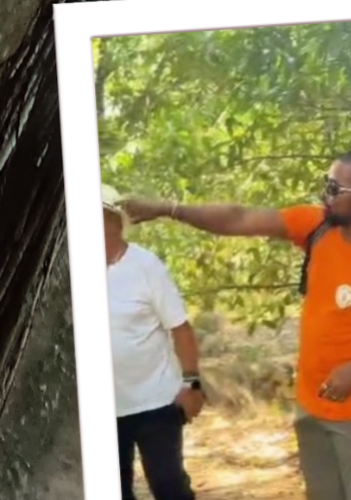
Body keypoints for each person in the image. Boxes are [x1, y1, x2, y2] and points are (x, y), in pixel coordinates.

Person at [120, 152, 351, 500]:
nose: (323, 195)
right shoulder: (317, 227)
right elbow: (239, 218)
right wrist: (169, 209)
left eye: (333, 188)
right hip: (310, 410)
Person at [102, 184, 205, 500]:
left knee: (169, 486)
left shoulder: (146, 267)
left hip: (155, 403)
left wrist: (193, 385)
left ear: (117, 223)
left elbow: (181, 329)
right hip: (104, 409)